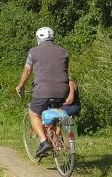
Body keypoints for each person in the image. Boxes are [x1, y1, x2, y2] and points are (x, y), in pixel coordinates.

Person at [14, 26, 71, 158]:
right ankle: (56, 138)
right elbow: (64, 70)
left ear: (38, 39)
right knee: (55, 113)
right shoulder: (64, 52)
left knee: (33, 113)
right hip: (63, 90)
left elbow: (27, 71)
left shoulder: (33, 52)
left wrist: (21, 86)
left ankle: (44, 142)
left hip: (42, 90)